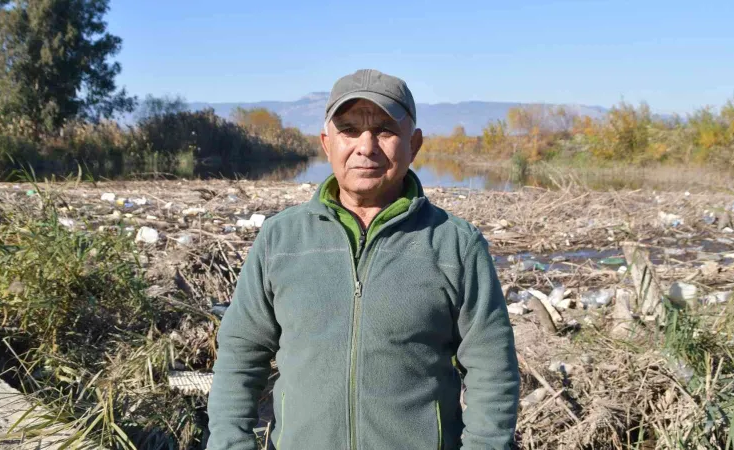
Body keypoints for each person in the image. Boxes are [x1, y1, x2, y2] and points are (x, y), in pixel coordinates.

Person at [207, 69, 520, 450]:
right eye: (349, 129)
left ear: (414, 143)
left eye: (386, 130)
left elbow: (493, 370)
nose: (366, 146)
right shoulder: (281, 239)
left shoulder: (455, 245)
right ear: (327, 143)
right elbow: (241, 355)